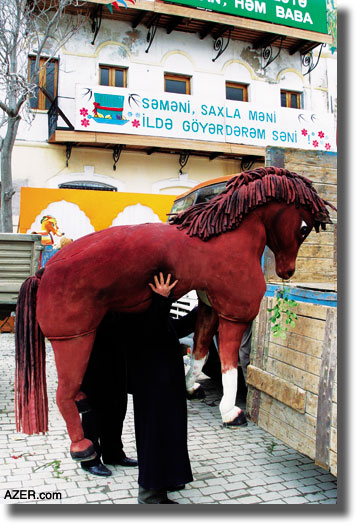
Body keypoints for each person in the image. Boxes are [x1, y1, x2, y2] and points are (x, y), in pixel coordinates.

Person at [123, 273, 193, 504]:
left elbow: (171, 328)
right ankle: (150, 496)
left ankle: (167, 480)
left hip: (165, 378)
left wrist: (202, 310)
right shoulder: (131, 301)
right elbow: (145, 332)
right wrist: (161, 300)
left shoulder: (151, 303)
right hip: (152, 380)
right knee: (156, 432)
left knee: (170, 430)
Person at [78, 312, 138, 476]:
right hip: (91, 343)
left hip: (117, 342)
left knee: (117, 403)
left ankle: (113, 453)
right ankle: (90, 459)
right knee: (94, 406)